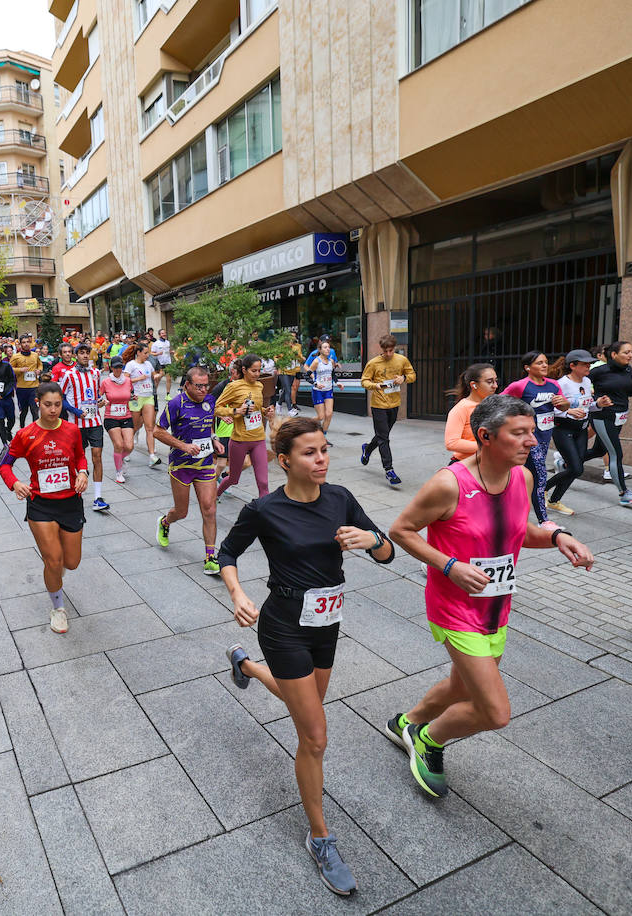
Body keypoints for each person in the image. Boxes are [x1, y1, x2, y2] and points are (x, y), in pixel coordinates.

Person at [219, 417, 395, 896]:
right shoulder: (264, 509)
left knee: (309, 707)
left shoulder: (339, 498)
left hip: (327, 623)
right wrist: (236, 593)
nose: (321, 460)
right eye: (309, 453)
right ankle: (320, 837)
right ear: (285, 461)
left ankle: (247, 667)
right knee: (314, 734)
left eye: (324, 450)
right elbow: (227, 553)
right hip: (284, 625)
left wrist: (371, 541)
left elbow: (388, 553)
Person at [386, 395, 594, 798]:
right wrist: (450, 566)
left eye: (532, 432)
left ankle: (405, 723)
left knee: (462, 687)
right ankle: (429, 739)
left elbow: (517, 533)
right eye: (519, 433)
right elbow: (401, 530)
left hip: (496, 606)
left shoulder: (524, 478)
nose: (532, 442)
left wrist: (557, 536)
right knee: (495, 712)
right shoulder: (449, 483)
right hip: (454, 607)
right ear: (485, 436)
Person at [0, 382, 90, 634]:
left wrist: (82, 472)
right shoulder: (25, 434)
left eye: (57, 405)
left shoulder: (72, 430)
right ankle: (58, 608)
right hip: (41, 505)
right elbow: (3, 464)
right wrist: (14, 483)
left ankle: (55, 576)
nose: (53, 410)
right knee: (53, 559)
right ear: (37, 403)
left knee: (71, 563)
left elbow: (80, 456)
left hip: (71, 502)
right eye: (47, 404)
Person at [154, 366, 224, 573]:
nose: (203, 390)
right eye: (199, 386)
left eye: (206, 386)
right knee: (181, 512)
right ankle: (165, 522)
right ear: (187, 385)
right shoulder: (176, 404)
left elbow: (208, 425)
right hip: (181, 465)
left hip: (203, 465)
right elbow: (158, 432)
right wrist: (183, 446)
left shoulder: (210, 401)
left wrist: (214, 439)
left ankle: (210, 557)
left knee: (209, 509)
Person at [502, 352, 568, 528]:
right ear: (527, 368)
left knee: (524, 477)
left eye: (546, 362)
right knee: (540, 476)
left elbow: (562, 407)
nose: (545, 366)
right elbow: (499, 402)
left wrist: (565, 403)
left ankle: (507, 510)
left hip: (545, 436)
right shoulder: (520, 386)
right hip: (528, 439)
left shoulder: (554, 385)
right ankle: (543, 520)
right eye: (539, 363)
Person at [545, 349, 606, 517]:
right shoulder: (561, 384)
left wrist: (599, 404)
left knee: (575, 469)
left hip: (581, 430)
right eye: (585, 364)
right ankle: (542, 489)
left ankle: (553, 501)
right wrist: (567, 412)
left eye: (589, 363)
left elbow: (587, 406)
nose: (589, 366)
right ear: (572, 366)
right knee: (577, 469)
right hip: (563, 428)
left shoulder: (587, 381)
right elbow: (550, 409)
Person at [586, 340, 632, 506]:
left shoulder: (628, 370)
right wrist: (595, 400)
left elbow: (627, 392)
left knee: (599, 450)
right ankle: (624, 493)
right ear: (614, 354)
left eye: (631, 352)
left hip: (619, 417)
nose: (631, 355)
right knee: (615, 454)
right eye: (626, 352)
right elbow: (579, 388)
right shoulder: (598, 371)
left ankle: (565, 462)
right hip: (603, 417)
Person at [59, 342, 110, 511]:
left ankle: (98, 497)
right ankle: (76, 493)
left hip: (95, 422)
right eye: (81, 353)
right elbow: (62, 398)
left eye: (87, 353)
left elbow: (95, 395)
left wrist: (100, 401)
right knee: (76, 460)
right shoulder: (69, 375)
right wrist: (75, 410)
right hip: (76, 424)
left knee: (97, 457)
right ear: (76, 355)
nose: (85, 356)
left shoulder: (96, 373)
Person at [216, 354, 274, 500]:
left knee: (263, 483)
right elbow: (216, 408)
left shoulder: (259, 385)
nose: (257, 374)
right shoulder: (234, 386)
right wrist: (235, 411)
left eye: (259, 370)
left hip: (258, 439)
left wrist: (265, 411)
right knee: (233, 479)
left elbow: (257, 409)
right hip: (239, 441)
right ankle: (214, 495)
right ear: (244, 369)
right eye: (254, 371)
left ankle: (264, 517)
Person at [360, 335, 416, 486]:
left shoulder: (401, 360)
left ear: (395, 348)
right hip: (378, 405)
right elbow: (364, 381)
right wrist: (375, 386)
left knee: (382, 435)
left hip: (394, 404)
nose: (388, 354)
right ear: (381, 349)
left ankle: (367, 448)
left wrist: (403, 378)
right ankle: (389, 470)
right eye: (386, 351)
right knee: (384, 438)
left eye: (391, 351)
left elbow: (412, 375)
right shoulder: (373, 363)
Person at [444, 363, 498, 462]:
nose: (495, 386)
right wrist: (488, 446)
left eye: (496, 381)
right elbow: (451, 443)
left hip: (491, 463)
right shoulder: (461, 408)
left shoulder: (495, 404)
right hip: (467, 464)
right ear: (474, 385)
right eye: (489, 382)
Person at [124, 341, 163, 467]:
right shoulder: (131, 365)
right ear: (138, 353)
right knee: (135, 426)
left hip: (148, 397)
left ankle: (152, 456)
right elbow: (125, 380)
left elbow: (153, 375)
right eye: (145, 353)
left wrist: (158, 375)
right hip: (136, 398)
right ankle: (127, 450)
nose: (147, 355)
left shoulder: (149, 364)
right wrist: (138, 379)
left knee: (149, 427)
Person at [100, 356, 135, 483]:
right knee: (119, 445)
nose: (118, 369)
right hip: (111, 417)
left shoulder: (127, 381)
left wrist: (132, 398)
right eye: (116, 367)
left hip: (126, 416)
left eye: (120, 367)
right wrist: (101, 402)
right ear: (111, 368)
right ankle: (119, 472)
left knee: (129, 446)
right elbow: (98, 397)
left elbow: (128, 395)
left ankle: (120, 460)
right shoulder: (106, 382)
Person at [11, 336, 44, 428]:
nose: (26, 344)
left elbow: (40, 365)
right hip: (22, 388)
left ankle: (36, 430)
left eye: (28, 342)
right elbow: (10, 369)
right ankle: (22, 428)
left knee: (35, 410)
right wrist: (20, 370)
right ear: (20, 344)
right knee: (24, 411)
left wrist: (39, 370)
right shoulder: (16, 356)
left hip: (34, 387)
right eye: (24, 342)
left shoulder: (35, 355)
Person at [306, 339, 338, 436]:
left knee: (329, 414)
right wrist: (316, 384)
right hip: (318, 391)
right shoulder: (316, 361)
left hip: (328, 390)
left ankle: (323, 437)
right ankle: (306, 423)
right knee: (321, 416)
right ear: (320, 350)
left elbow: (332, 374)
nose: (328, 349)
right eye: (325, 347)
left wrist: (337, 382)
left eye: (328, 347)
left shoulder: (331, 361)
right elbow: (307, 376)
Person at [152, 329, 174, 398]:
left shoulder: (168, 342)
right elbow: (152, 353)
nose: (164, 334)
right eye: (162, 333)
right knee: (158, 379)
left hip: (167, 362)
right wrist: (158, 353)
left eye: (165, 333)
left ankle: (168, 394)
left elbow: (167, 351)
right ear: (159, 335)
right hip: (159, 363)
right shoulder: (156, 343)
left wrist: (171, 352)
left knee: (169, 379)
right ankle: (154, 393)